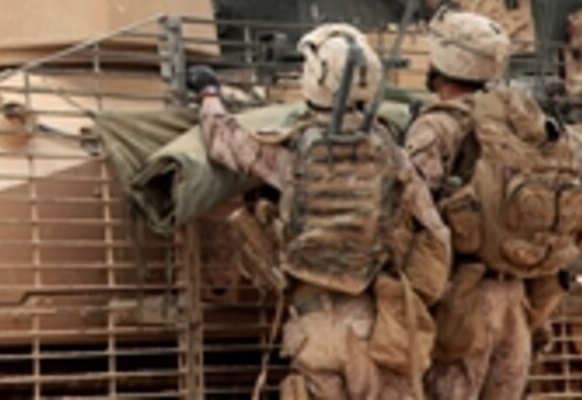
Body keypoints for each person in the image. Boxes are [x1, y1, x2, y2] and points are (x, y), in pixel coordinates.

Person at [189, 24, 451, 399]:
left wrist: (209, 94)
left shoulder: (293, 153)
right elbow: (436, 234)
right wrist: (412, 297)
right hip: (376, 323)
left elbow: (224, 143)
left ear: (313, 76)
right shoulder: (392, 156)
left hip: (312, 325)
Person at [403, 8, 582, 399]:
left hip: (462, 301)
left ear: (444, 60)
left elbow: (410, 212)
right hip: (521, 299)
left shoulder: (437, 126)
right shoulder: (527, 122)